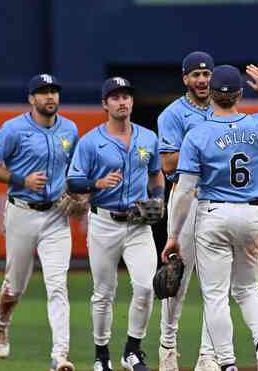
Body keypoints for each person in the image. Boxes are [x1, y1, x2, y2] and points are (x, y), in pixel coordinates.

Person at [161, 64, 258, 371]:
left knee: (215, 296)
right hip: (251, 214)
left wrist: (173, 235)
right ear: (240, 94)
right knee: (248, 290)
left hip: (214, 214)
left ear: (211, 95)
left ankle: (226, 363)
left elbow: (185, 190)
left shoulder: (198, 134)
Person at [0, 74, 79, 371]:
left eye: (53, 91)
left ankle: (59, 356)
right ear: (31, 99)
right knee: (15, 287)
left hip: (56, 216)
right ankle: (0, 320)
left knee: (58, 286)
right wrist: (21, 179)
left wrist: (79, 196)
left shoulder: (70, 129)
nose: (50, 96)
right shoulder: (14, 129)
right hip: (22, 212)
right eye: (42, 92)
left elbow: (76, 171)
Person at [67, 77, 164, 371]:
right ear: (105, 104)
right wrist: (97, 183)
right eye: (115, 97)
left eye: (126, 96)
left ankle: (132, 350)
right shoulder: (90, 141)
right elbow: (72, 181)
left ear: (132, 102)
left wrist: (158, 197)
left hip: (138, 225)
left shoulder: (148, 138)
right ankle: (101, 356)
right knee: (103, 292)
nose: (122, 102)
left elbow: (156, 174)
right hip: (104, 223)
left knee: (146, 287)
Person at [156, 51, 219, 371]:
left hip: (219, 201)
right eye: (196, 75)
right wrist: (209, 156)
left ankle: (208, 354)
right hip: (187, 199)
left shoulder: (224, 106)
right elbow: (168, 164)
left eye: (206, 74)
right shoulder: (173, 115)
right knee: (176, 279)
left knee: (215, 282)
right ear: (185, 79)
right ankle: (167, 345)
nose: (203, 80)